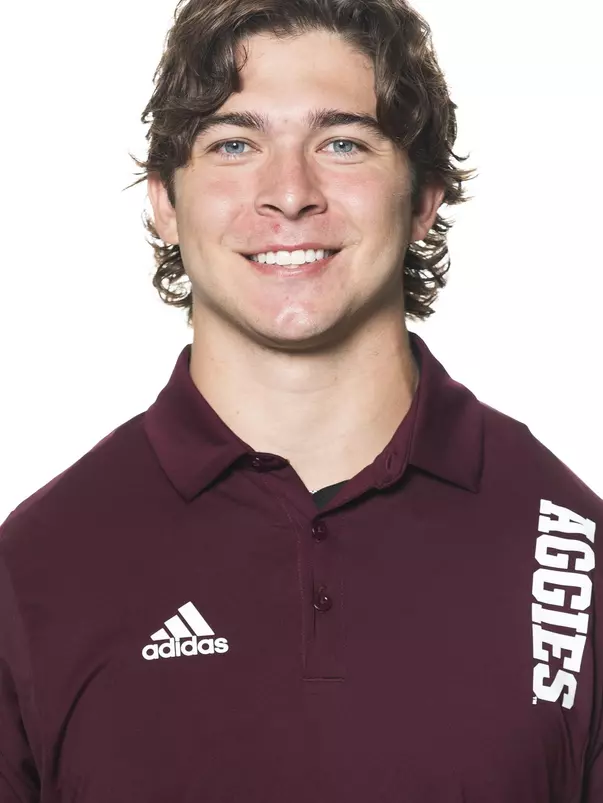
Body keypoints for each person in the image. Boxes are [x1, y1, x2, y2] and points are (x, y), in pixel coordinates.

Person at [1, 0, 601, 800]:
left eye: (342, 143)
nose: (289, 192)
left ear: (423, 198)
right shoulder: (36, 569)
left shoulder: (572, 553)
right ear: (165, 202)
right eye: (234, 144)